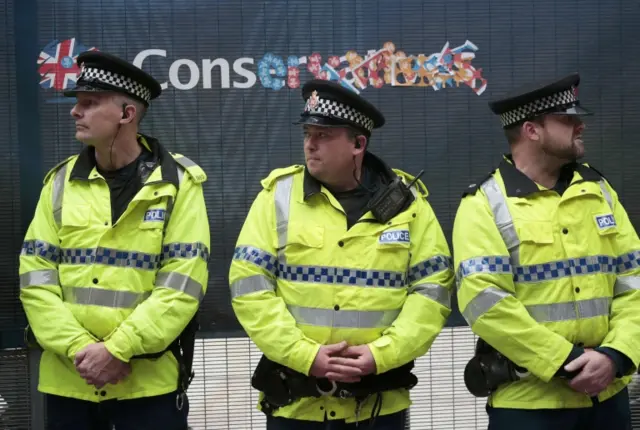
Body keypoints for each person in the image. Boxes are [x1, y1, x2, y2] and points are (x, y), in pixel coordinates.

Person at [228, 79, 455, 429]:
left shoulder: (409, 206)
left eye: (324, 134)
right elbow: (249, 286)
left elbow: (432, 290)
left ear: (358, 144)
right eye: (307, 132)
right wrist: (306, 356)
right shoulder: (276, 197)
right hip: (296, 406)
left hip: (378, 407)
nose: (310, 144)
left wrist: (382, 355)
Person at [19, 50, 210, 430]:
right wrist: (83, 352)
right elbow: (35, 280)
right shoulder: (59, 185)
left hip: (147, 387)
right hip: (70, 384)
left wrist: (118, 350)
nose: (76, 111)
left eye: (90, 103)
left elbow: (182, 285)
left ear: (127, 115)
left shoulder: (179, 186)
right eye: (78, 103)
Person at [453, 72, 640, 430]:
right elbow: (485, 303)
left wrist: (616, 356)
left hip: (608, 400)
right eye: (568, 119)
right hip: (528, 408)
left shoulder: (600, 193)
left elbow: (634, 282)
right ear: (532, 131)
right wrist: (566, 360)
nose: (579, 126)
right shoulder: (484, 204)